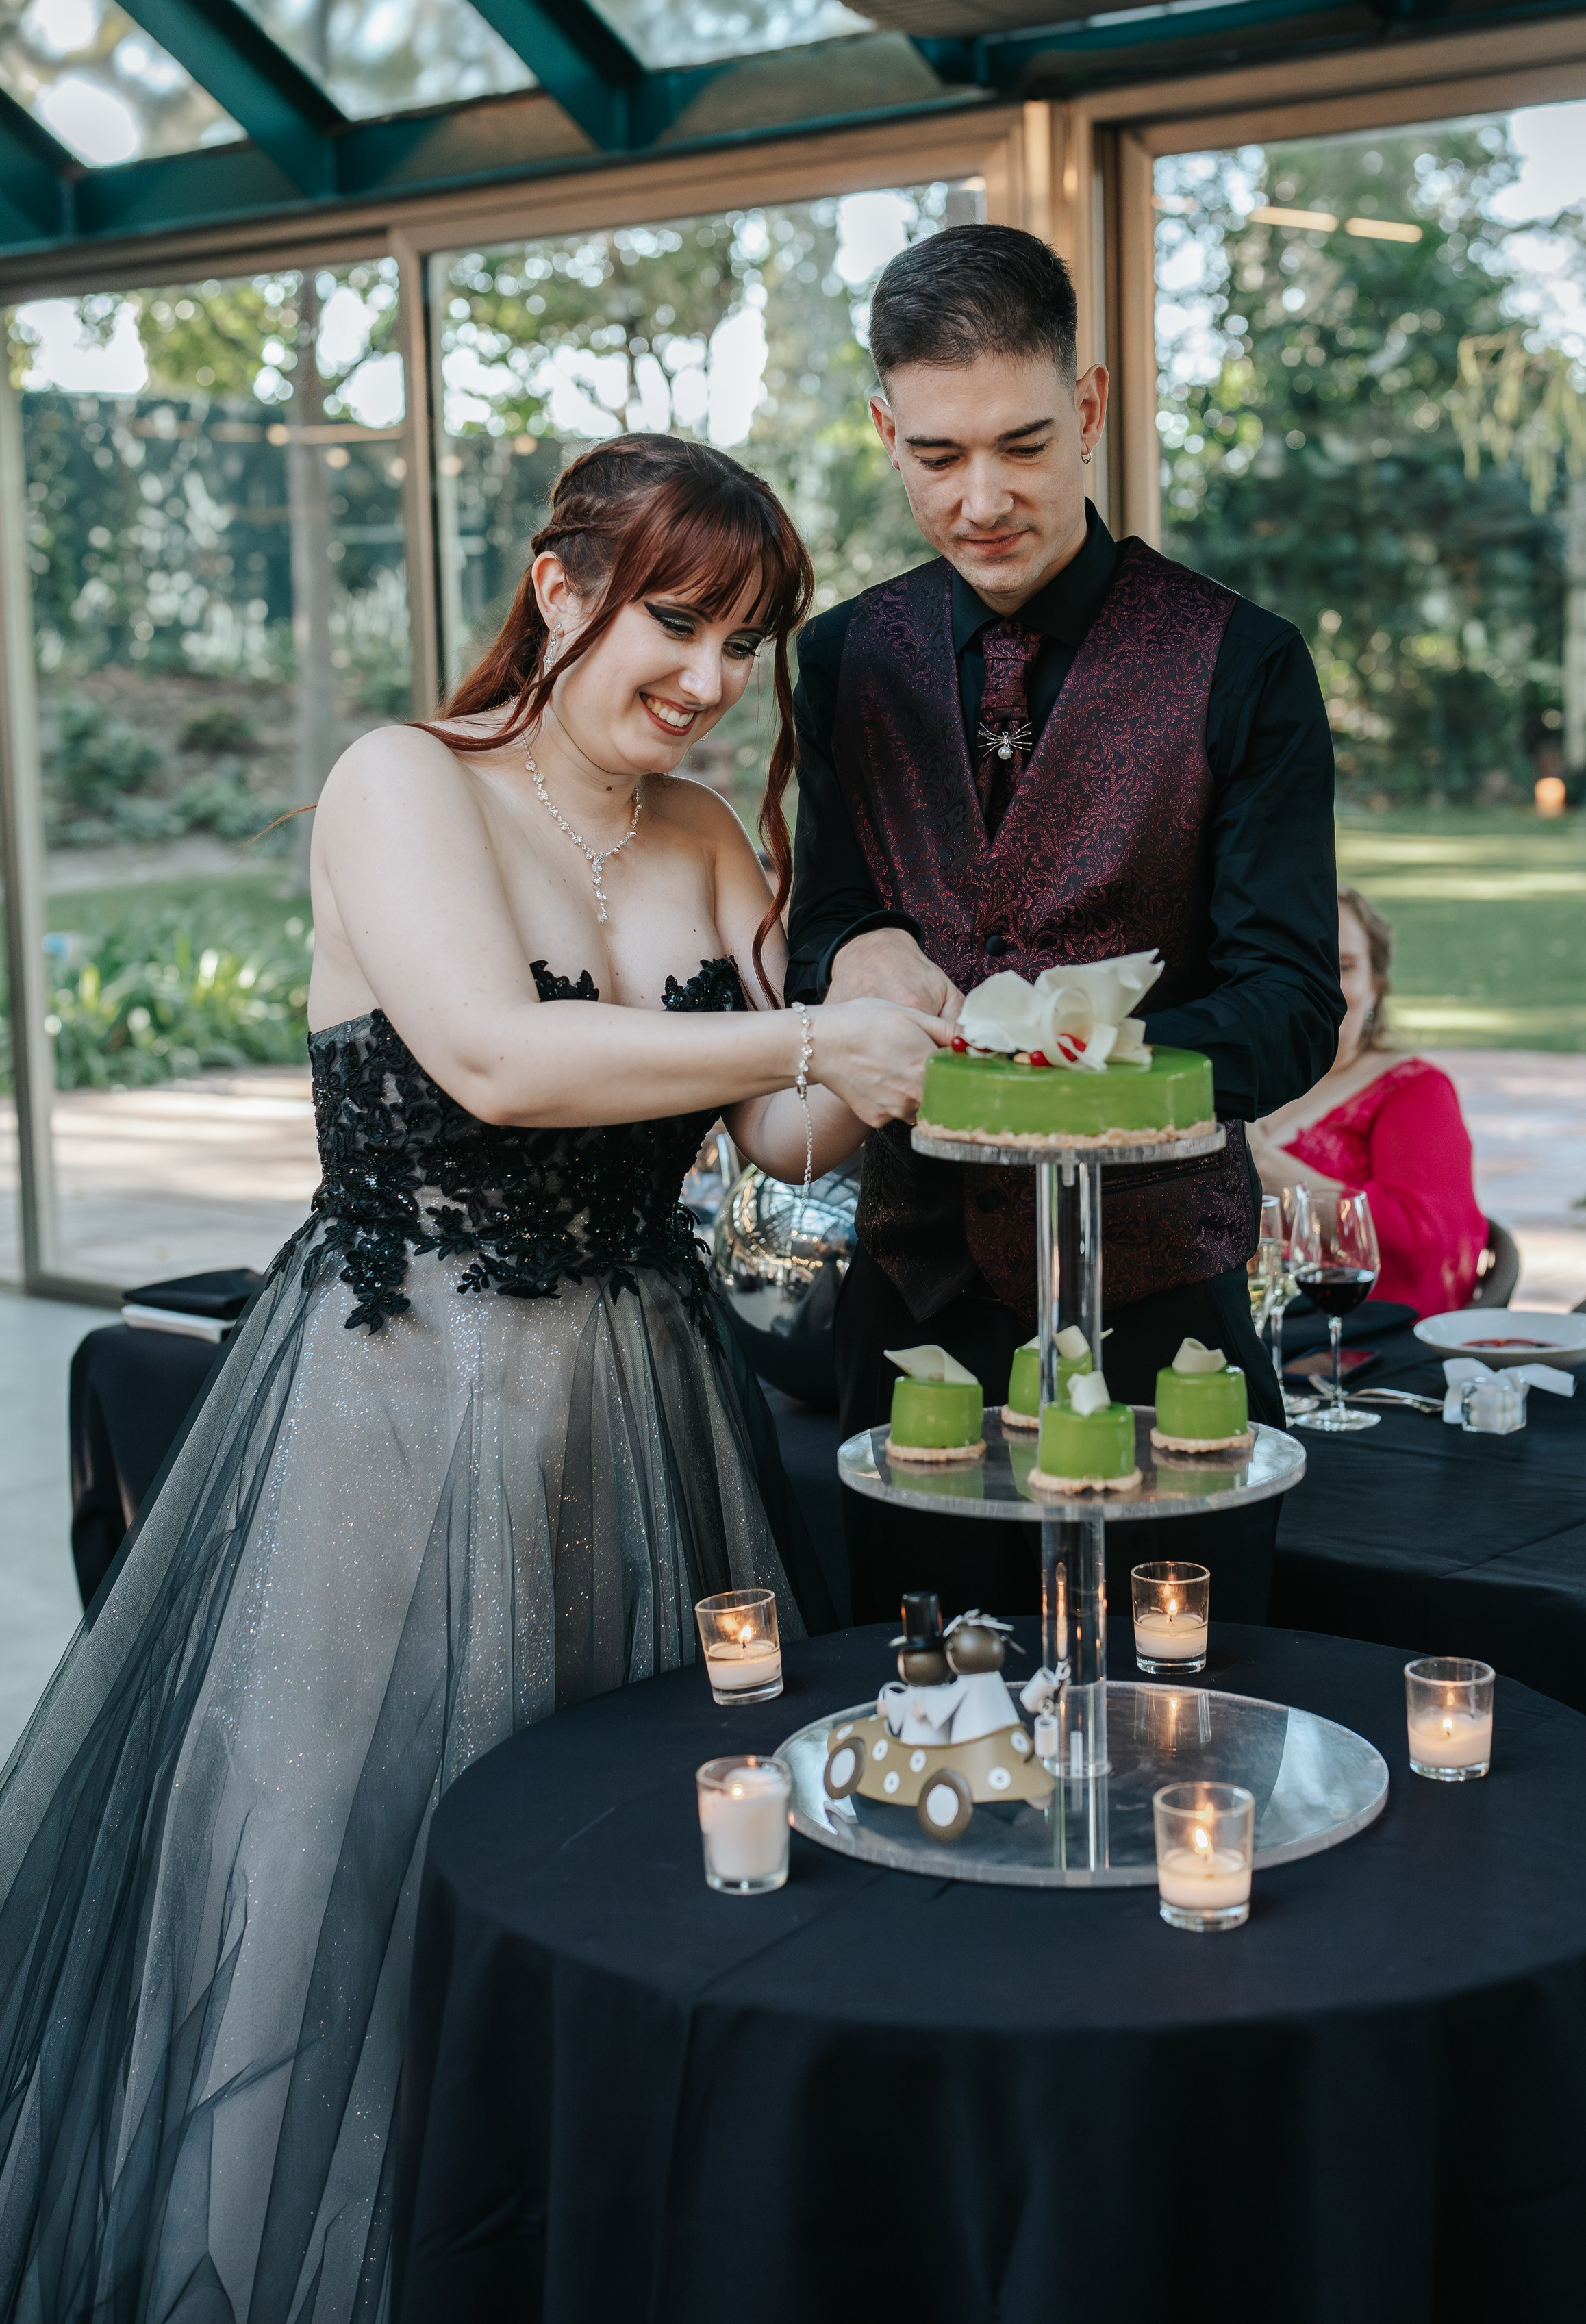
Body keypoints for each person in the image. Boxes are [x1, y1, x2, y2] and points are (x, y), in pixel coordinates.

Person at [0, 436, 946, 2323]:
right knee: (343, 1863)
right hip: (393, 1404)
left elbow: (779, 1136)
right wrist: (807, 1029)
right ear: (559, 584)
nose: (707, 677)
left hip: (645, 1413)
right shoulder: (401, 783)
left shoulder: (706, 837)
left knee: (631, 1855)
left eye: (743, 642)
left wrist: (893, 1020)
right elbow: (500, 1060)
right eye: (676, 621)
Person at [786, 224, 1344, 1433]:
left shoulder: (1247, 664)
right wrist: (853, 943)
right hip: (910, 1307)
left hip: (1165, 1314)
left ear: (1087, 410)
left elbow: (1294, 1006)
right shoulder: (841, 659)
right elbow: (821, 919)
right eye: (938, 455)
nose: (982, 502)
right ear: (886, 433)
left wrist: (1061, 1069)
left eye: (1024, 445)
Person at [1250, 884, 1487, 1316]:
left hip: (1351, 1330)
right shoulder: (1243, 1081)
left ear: (1375, 987)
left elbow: (1423, 1245)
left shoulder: (1414, 1090)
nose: (1323, 984)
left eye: (1343, 966)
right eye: (1300, 964)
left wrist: (1264, 1164)